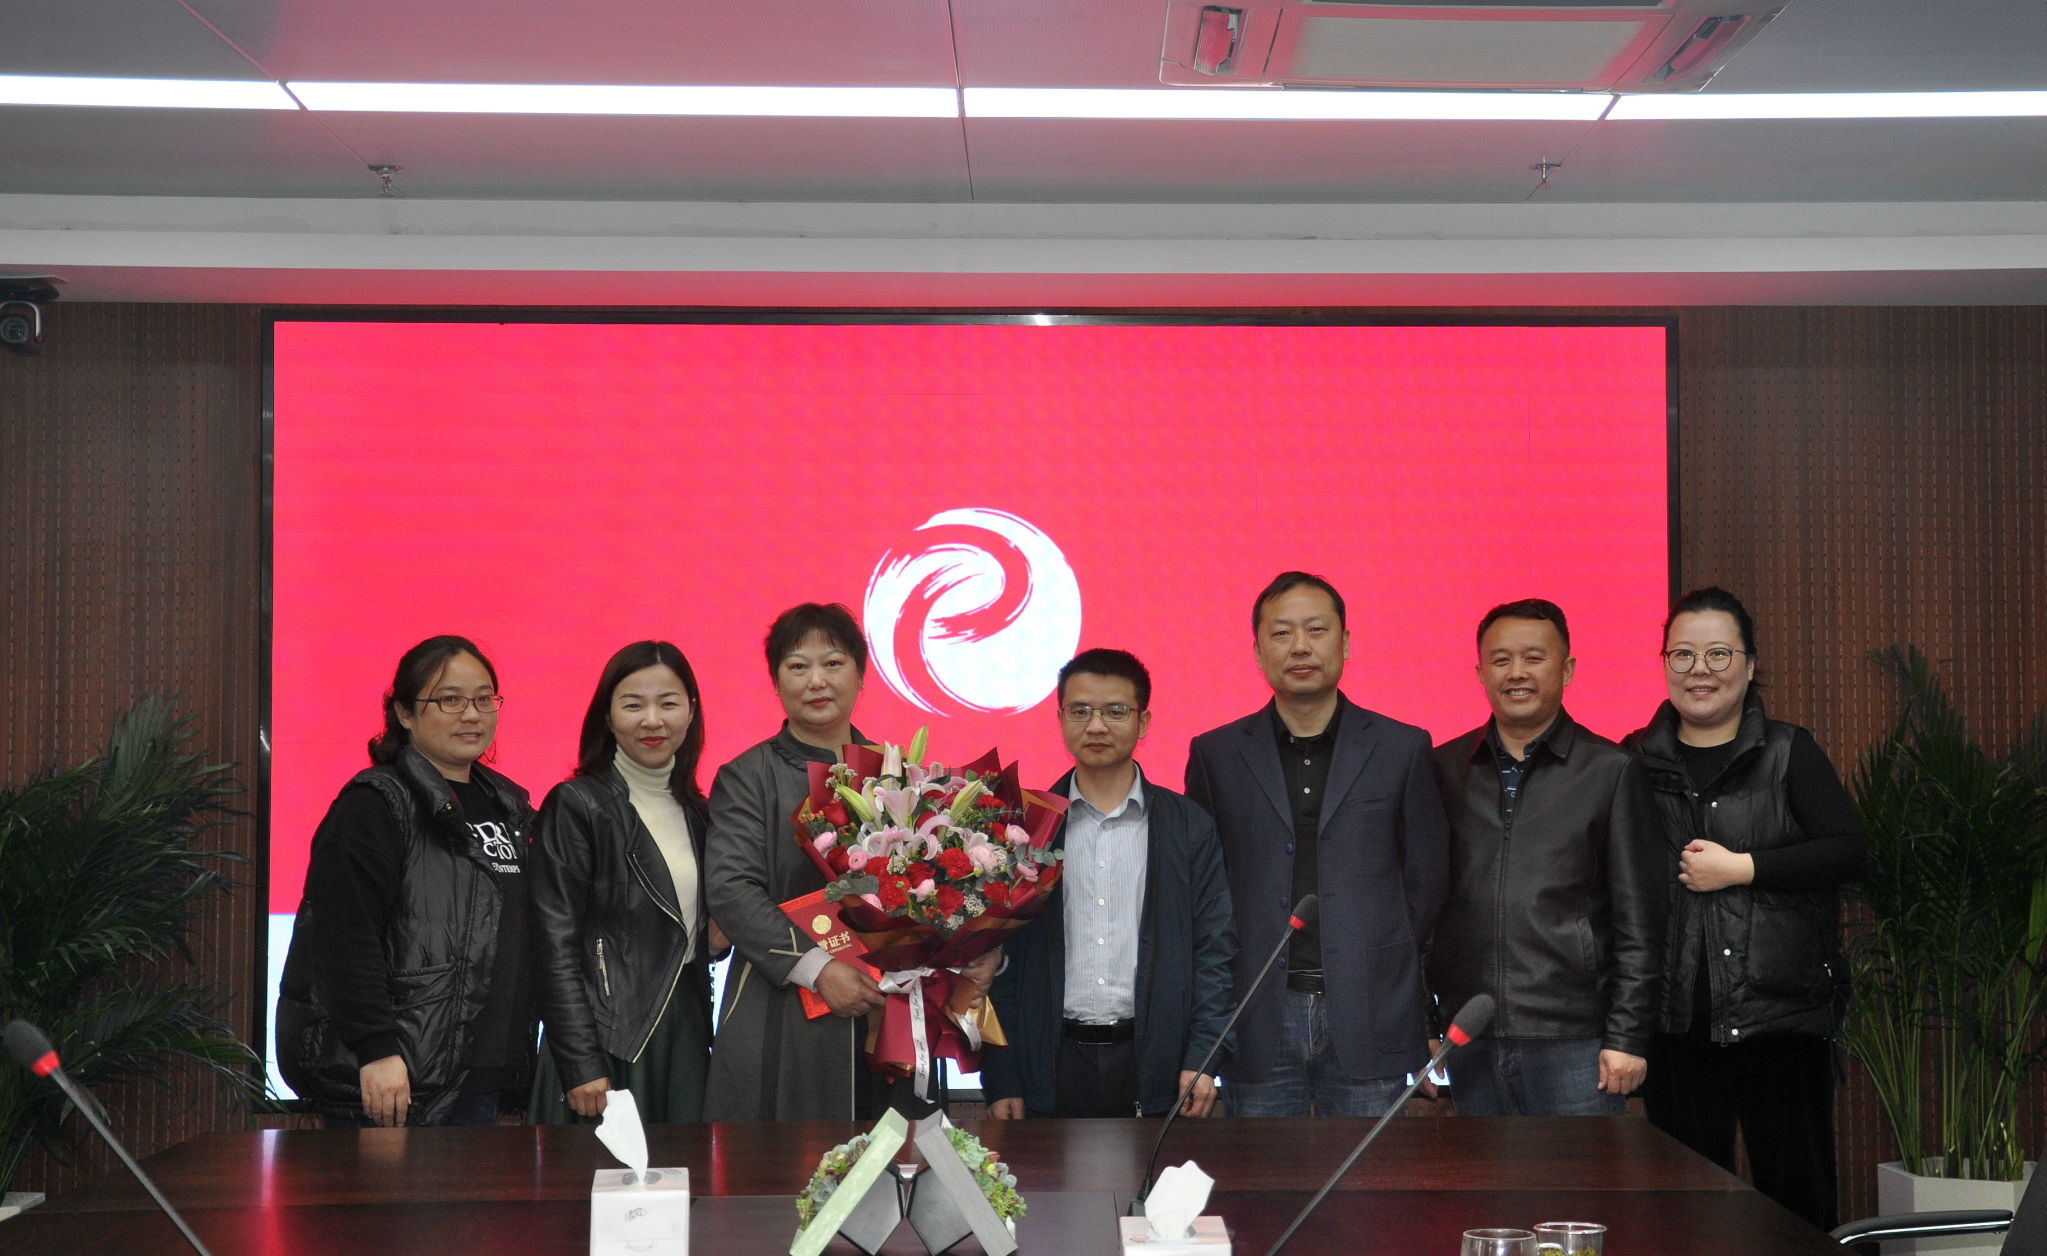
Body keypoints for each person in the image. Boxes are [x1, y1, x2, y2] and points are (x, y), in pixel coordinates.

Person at [1626, 587, 1864, 1230]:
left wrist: (1744, 868)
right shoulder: (1634, 761)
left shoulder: (1788, 750)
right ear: (1664, 662)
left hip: (1779, 1021)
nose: (1699, 669)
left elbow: (1849, 851)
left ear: (1750, 664)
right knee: (1683, 1213)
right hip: (1676, 1026)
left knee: (1797, 1207)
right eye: (1682, 654)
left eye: (1718, 653)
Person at [1185, 572, 1450, 1117]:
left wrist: (1405, 990)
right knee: (1263, 1173)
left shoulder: (1402, 748)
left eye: (1316, 630)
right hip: (1257, 1014)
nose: (1300, 646)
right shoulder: (1217, 755)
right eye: (1282, 633)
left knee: (1366, 1172)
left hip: (1369, 1010)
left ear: (1345, 643)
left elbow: (1425, 884)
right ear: (1258, 652)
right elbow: (1205, 892)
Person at [277, 634, 537, 1127]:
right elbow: (344, 936)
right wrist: (376, 1049)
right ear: (404, 712)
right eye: (450, 700)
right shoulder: (376, 805)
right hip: (401, 1081)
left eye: (484, 699)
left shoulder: (512, 809)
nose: (472, 714)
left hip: (482, 1079)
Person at [1426, 599, 1661, 1116]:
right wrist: (1425, 1019)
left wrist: (1627, 1035)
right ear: (1480, 673)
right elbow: (1422, 906)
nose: (1517, 673)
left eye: (1534, 658)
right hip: (1470, 1035)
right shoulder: (1444, 770)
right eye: (1501, 659)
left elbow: (1640, 921)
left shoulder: (1611, 771)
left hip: (1575, 1039)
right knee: (1481, 1173)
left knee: (1580, 1174)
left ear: (1567, 669)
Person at [982, 649, 1237, 1119]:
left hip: (1158, 1062)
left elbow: (1214, 951)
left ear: (1143, 722)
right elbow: (1000, 962)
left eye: (1115, 711)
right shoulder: (1027, 827)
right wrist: (1002, 1075)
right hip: (1050, 1062)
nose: (1096, 726)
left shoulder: (1188, 827)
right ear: (1061, 719)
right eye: (1080, 711)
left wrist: (1204, 1055)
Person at [529, 640, 729, 1124]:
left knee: (682, 1170)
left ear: (691, 712)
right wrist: (580, 1060)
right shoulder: (578, 805)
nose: (652, 720)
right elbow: (553, 945)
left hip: (684, 1029)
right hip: (606, 1036)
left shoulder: (702, 813)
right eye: (633, 704)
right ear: (608, 715)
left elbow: (694, 936)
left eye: (668, 703)